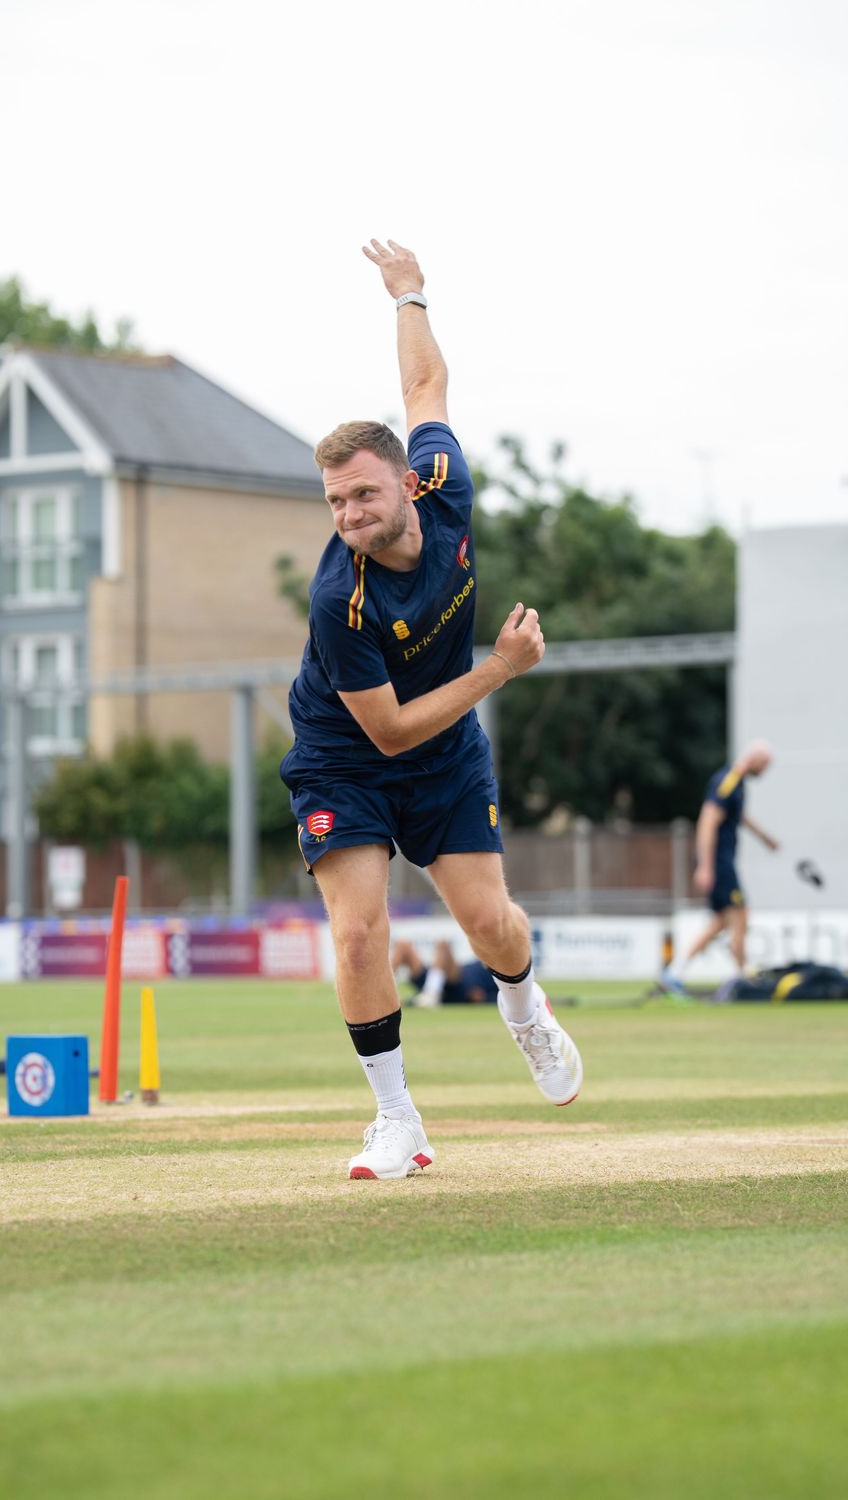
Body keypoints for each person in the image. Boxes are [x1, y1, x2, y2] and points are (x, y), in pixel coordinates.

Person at [280, 239, 583, 1181]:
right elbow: (391, 730)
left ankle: (525, 1011)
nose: (349, 515)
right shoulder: (342, 601)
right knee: (361, 930)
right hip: (349, 755)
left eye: (363, 493)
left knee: (494, 928)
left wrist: (409, 293)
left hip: (445, 754)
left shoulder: (445, 488)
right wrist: (502, 666)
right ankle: (397, 1120)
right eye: (334, 501)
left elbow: (424, 390)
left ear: (410, 484)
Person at [662, 740, 779, 992]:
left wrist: (764, 838)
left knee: (721, 921)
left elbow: (739, 816)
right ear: (756, 760)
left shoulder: (736, 782)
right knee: (740, 913)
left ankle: (674, 972)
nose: (765, 771)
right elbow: (707, 821)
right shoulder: (728, 782)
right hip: (719, 861)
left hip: (721, 860)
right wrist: (705, 865)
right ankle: (741, 977)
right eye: (765, 766)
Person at [391, 937, 495, 1007]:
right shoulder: (485, 957)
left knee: (443, 944)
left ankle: (431, 994)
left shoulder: (504, 966)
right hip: (437, 975)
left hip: (460, 986)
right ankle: (384, 994)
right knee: (402, 945)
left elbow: (506, 994)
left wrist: (486, 998)